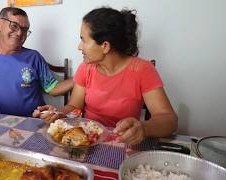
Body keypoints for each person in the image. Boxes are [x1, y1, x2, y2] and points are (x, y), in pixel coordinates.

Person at [33, 7, 178, 145]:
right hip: (88, 139)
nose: (79, 47)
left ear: (105, 46)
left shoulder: (142, 70)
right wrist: (58, 114)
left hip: (123, 142)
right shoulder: (86, 68)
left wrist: (144, 128)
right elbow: (74, 106)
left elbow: (169, 120)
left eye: (83, 40)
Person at [0, 7, 73, 116]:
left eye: (25, 29)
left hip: (36, 120)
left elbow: (52, 88)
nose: (20, 33)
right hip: (3, 122)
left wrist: (81, 78)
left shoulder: (34, 57)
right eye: (14, 26)